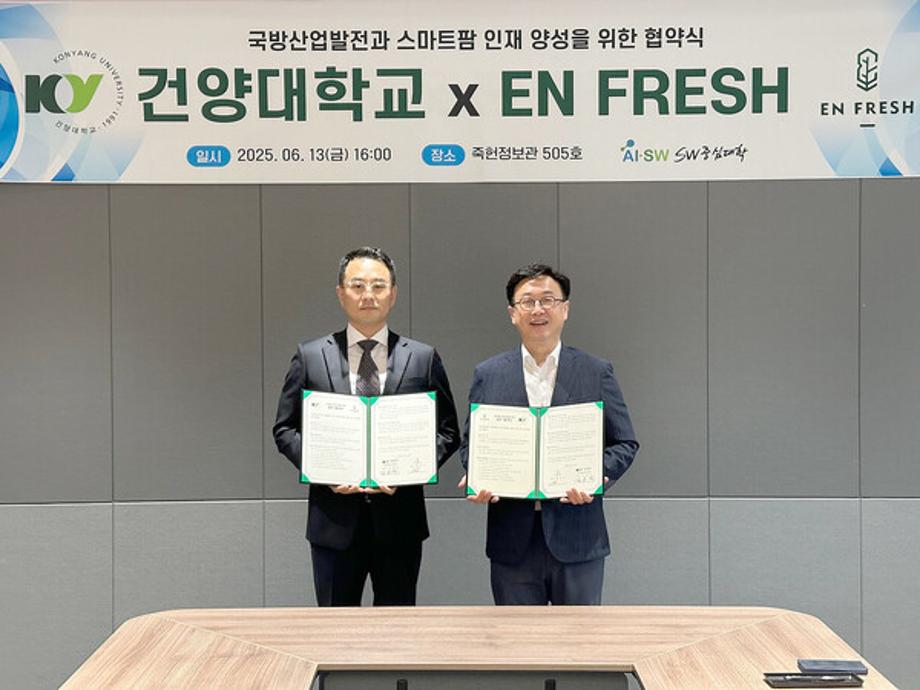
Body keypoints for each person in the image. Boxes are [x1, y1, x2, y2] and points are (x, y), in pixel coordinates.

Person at [274, 246, 460, 606]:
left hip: (400, 520)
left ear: (394, 294)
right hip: (333, 523)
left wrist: (411, 469)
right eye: (357, 285)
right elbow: (285, 429)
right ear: (340, 293)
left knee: (397, 624)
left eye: (378, 285)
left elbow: (448, 432)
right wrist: (322, 469)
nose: (368, 295)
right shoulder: (310, 356)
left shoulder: (422, 357)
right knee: (334, 625)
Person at [459, 264, 638, 605]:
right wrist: (477, 474)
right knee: (517, 638)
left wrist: (596, 476)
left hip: (578, 537)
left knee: (580, 638)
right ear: (513, 313)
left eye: (548, 300)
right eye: (527, 301)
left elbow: (625, 442)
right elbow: (472, 443)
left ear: (565, 309)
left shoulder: (595, 371)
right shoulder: (488, 374)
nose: (538, 309)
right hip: (511, 540)